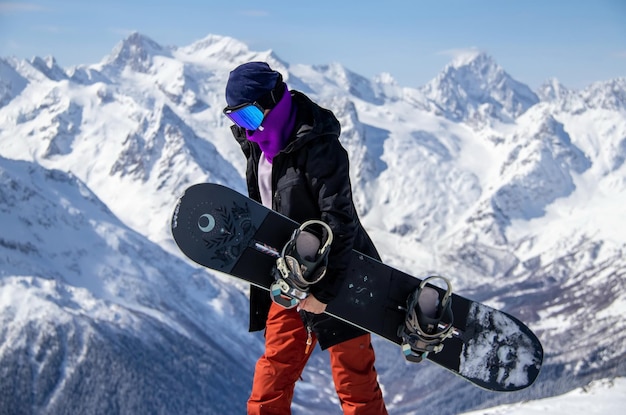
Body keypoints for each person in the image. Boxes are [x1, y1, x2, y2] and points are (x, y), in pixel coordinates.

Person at [224, 61, 388, 415]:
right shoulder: (258, 143)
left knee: (355, 385)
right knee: (272, 378)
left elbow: (340, 221)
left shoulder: (320, 147)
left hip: (341, 277)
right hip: (290, 274)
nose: (246, 130)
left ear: (272, 101)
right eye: (237, 121)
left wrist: (325, 293)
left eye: (249, 117)